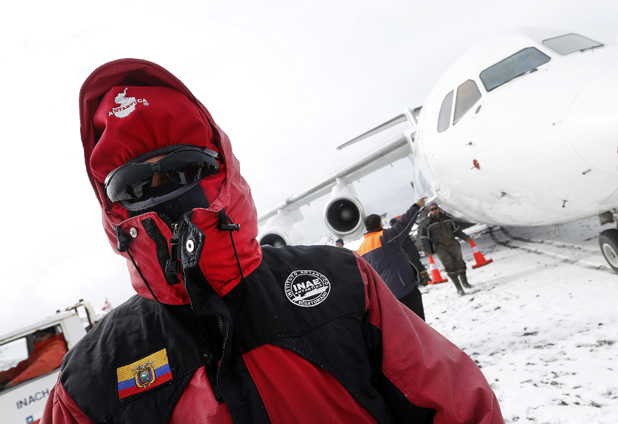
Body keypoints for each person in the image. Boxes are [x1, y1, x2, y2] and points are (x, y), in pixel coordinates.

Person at [41, 59, 503, 423]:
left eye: (185, 169)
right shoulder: (87, 384)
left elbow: (458, 405)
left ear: (223, 168)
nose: (166, 194)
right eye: (136, 186)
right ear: (113, 209)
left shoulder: (341, 282)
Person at [357, 203, 426, 320]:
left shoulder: (361, 250)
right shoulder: (385, 238)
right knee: (419, 324)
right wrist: (417, 206)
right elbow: (404, 224)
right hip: (405, 291)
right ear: (380, 224)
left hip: (388, 298)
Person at [420, 202, 473, 295]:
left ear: (438, 208)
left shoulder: (447, 219)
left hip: (453, 244)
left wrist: (466, 237)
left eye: (435, 208)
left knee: (460, 262)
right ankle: (459, 288)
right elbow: (424, 238)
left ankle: (465, 282)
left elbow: (456, 230)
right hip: (440, 247)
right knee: (449, 265)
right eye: (432, 209)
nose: (434, 211)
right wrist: (427, 250)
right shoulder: (427, 224)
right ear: (429, 211)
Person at [0, 327, 67, 390]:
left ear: (52, 333)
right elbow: (21, 369)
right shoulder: (38, 351)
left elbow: (44, 365)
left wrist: (15, 382)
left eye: (42, 335)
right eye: (35, 336)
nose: (38, 338)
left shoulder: (57, 346)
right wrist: (2, 377)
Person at [389, 216, 431, 286]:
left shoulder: (400, 231)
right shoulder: (401, 230)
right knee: (415, 266)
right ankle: (422, 279)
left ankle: (424, 279)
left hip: (410, 251)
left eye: (393, 224)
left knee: (416, 265)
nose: (393, 226)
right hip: (408, 252)